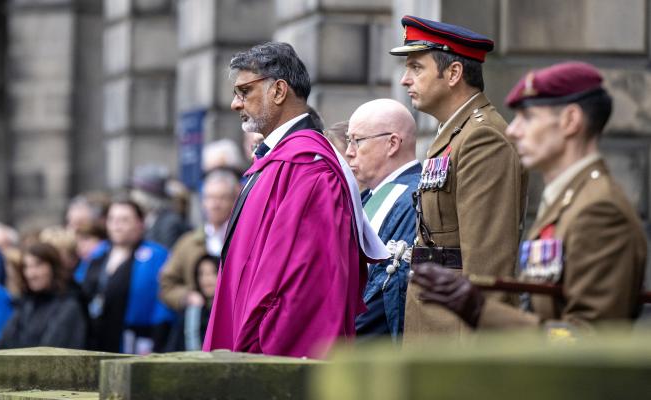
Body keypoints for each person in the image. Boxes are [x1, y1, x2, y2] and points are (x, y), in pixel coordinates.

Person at [412, 62, 647, 333]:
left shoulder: (600, 210)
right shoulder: (569, 200)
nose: (513, 130)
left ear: (571, 121)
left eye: (529, 117)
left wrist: (482, 311)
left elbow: (589, 341)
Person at [203, 42, 387, 358]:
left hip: (269, 356)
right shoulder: (279, 161)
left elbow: (307, 283)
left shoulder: (309, 168)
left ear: (278, 91)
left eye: (245, 91)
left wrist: (259, 351)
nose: (236, 104)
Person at [390, 15, 527, 340]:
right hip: (435, 319)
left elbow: (487, 264)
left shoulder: (483, 138)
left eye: (417, 68)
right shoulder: (455, 134)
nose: (405, 80)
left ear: (453, 73)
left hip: (457, 332)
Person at [343, 99, 421, 341]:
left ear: (392, 143)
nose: (349, 151)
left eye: (357, 140)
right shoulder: (373, 195)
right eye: (348, 141)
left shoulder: (413, 197)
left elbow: (388, 293)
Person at [75, 199, 174, 354]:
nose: (117, 225)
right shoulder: (98, 252)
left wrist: (157, 339)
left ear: (140, 223)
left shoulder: (156, 255)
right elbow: (79, 285)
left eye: (124, 220)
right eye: (112, 219)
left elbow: (164, 302)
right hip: (95, 337)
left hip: (137, 339)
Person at [159, 170, 240, 311]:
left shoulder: (243, 240)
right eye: (210, 198)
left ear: (234, 201)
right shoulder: (188, 243)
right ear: (203, 202)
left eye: (223, 198)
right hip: (199, 323)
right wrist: (187, 297)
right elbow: (167, 284)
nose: (215, 204)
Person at [0, 243, 88, 349]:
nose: (31, 274)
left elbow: (53, 353)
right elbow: (5, 343)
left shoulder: (70, 305)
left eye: (38, 265)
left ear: (53, 267)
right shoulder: (26, 304)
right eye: (27, 267)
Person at [131, 165, 192, 249]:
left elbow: (167, 255)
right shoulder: (151, 217)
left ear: (150, 196)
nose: (134, 195)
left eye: (138, 191)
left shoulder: (170, 222)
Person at [166, 255, 219, 351]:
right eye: (201, 274)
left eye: (213, 272)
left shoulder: (229, 311)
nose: (206, 278)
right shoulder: (192, 310)